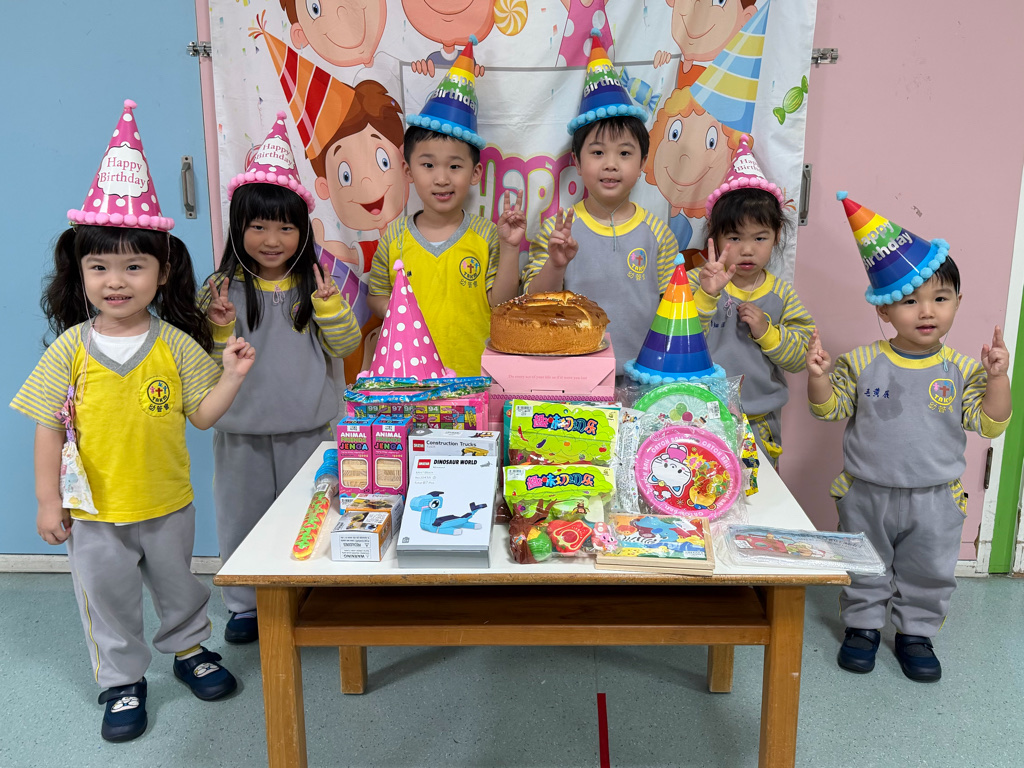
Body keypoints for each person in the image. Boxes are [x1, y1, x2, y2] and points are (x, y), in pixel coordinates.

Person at [10, 100, 254, 743]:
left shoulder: (175, 345)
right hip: (93, 512)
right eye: (100, 267)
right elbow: (47, 426)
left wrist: (230, 377)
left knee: (180, 586)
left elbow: (203, 417)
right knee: (107, 598)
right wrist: (47, 501)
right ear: (81, 272)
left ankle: (190, 649)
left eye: (133, 266)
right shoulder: (70, 349)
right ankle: (121, 681)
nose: (115, 281)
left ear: (162, 271)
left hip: (167, 502)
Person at [807, 193, 1012, 682]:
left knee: (929, 570)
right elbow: (829, 409)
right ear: (884, 311)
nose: (926, 311)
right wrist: (818, 378)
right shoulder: (861, 362)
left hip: (936, 498)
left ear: (958, 302)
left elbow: (990, 423)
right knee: (865, 564)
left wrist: (999, 379)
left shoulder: (962, 369)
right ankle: (862, 626)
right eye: (909, 300)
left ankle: (916, 633)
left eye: (940, 298)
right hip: (866, 492)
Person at [200, 113, 360, 645]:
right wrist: (219, 326)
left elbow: (345, 347)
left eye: (286, 227)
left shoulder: (318, 285)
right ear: (238, 227)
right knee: (241, 518)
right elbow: (210, 366)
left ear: (302, 231)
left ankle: (308, 591)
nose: (272, 239)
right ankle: (246, 605)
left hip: (309, 431)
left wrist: (330, 306)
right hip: (240, 434)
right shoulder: (220, 289)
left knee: (309, 513)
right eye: (258, 226)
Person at [524, 31, 678, 375]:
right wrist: (556, 264)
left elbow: (674, 312)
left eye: (624, 153)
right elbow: (533, 305)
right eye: (597, 153)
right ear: (577, 163)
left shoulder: (658, 234)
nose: (611, 164)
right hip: (572, 377)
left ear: (642, 164)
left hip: (646, 376)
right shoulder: (556, 231)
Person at [368, 41, 522, 376]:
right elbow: (376, 295)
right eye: (428, 165)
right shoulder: (395, 237)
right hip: (408, 380)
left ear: (475, 173)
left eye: (455, 166)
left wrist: (510, 248)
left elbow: (501, 304)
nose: (441, 178)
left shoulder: (486, 235)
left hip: (473, 379)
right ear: (408, 170)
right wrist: (398, 308)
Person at [688, 137, 814, 465]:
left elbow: (801, 358)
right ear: (715, 237)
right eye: (734, 237)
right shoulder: (695, 282)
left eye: (760, 237)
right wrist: (707, 296)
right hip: (698, 417)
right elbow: (677, 343)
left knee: (759, 491)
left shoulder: (782, 294)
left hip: (760, 422)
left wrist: (767, 332)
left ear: (777, 237)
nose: (747, 249)